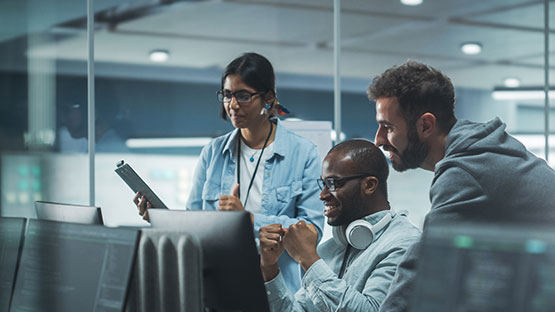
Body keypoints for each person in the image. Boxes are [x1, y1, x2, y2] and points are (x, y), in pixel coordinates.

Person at [367, 60, 555, 312]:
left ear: (425, 125)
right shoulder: (481, 146)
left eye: (387, 127)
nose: (378, 139)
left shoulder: (464, 171)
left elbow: (422, 266)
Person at [135, 52, 324, 293]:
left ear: (268, 98)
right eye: (227, 95)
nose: (233, 105)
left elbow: (312, 233)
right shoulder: (213, 153)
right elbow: (195, 224)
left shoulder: (303, 153)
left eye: (243, 96)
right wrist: (159, 217)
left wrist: (247, 220)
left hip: (278, 290)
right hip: (219, 284)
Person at [259, 139, 421, 311]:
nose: (322, 195)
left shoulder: (406, 244)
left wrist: (309, 260)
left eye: (333, 183)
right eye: (323, 184)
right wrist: (269, 268)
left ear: (369, 185)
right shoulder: (329, 250)